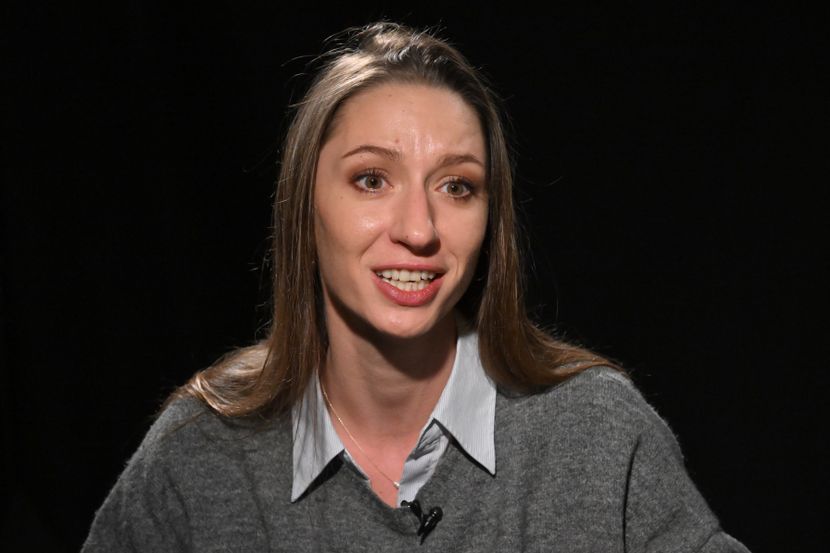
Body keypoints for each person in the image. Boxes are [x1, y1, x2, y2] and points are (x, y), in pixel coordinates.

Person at [82, 22, 750, 552]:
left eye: (457, 186)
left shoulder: (597, 432)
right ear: (304, 206)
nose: (419, 229)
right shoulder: (198, 454)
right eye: (372, 179)